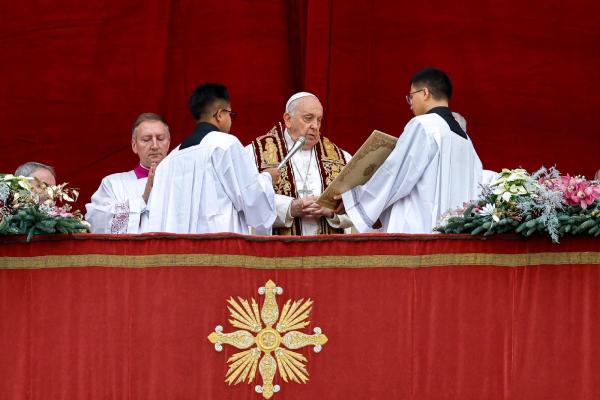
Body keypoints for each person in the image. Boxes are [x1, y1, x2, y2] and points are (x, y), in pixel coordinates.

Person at [336, 67, 483, 233]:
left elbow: (395, 174)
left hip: (418, 231)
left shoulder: (424, 125)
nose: (410, 103)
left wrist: (352, 199)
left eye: (411, 96)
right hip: (453, 237)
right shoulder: (465, 139)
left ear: (425, 93)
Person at [147, 83, 279, 234]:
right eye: (231, 114)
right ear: (220, 114)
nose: (231, 119)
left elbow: (157, 218)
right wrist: (267, 179)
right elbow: (253, 200)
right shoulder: (225, 145)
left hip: (178, 253)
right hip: (218, 251)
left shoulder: (169, 161)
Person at [245, 92, 353, 235]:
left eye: (319, 120)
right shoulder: (253, 153)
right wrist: (289, 208)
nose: (315, 126)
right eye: (308, 118)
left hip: (328, 253)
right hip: (280, 253)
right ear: (288, 119)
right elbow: (249, 200)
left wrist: (331, 210)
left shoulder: (342, 157)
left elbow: (358, 206)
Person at [85, 112, 170, 234]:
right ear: (134, 145)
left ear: (168, 143)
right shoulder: (113, 183)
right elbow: (96, 222)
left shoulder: (183, 181)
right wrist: (143, 200)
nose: (155, 146)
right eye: (147, 139)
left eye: (160, 138)